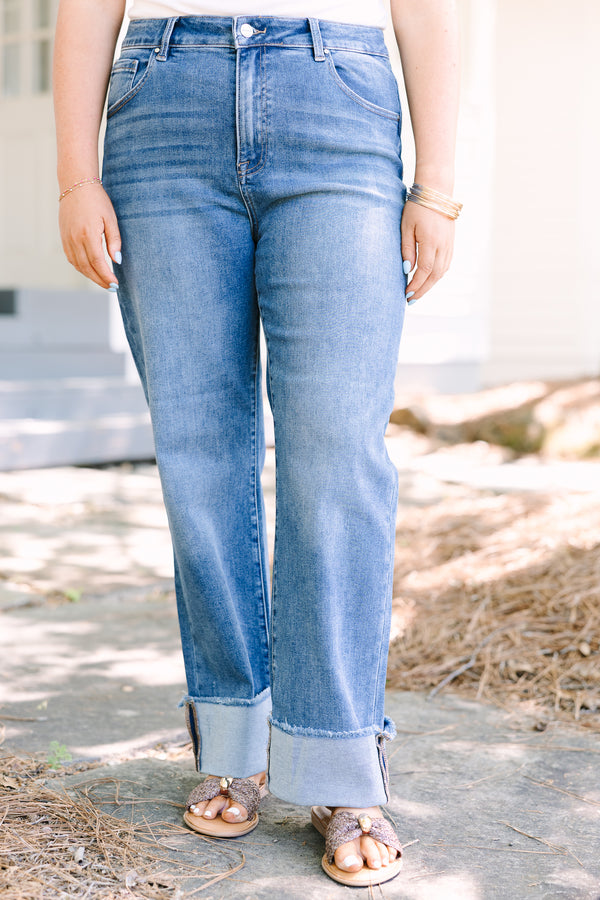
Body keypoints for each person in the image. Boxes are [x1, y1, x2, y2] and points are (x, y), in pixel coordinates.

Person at [53, 0, 459, 887]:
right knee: (200, 453)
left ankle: (340, 767)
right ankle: (233, 742)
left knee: (336, 454)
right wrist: (76, 176)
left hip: (338, 94)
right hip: (161, 99)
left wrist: (437, 186)